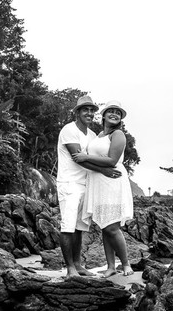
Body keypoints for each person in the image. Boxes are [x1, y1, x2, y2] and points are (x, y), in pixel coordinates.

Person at [55, 95, 120, 277]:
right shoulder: (69, 130)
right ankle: (70, 269)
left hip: (86, 183)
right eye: (85, 110)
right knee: (68, 225)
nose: (89, 113)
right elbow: (78, 158)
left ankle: (78, 265)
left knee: (79, 227)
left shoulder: (92, 135)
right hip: (69, 183)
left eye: (92, 110)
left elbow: (95, 157)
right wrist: (104, 171)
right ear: (77, 112)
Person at [74, 100, 135, 276]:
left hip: (113, 181)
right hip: (98, 183)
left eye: (118, 112)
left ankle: (126, 265)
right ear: (104, 114)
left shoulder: (118, 134)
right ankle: (110, 267)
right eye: (111, 111)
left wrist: (85, 157)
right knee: (104, 225)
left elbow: (112, 160)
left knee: (112, 227)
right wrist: (88, 161)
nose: (114, 114)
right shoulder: (99, 135)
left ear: (121, 118)